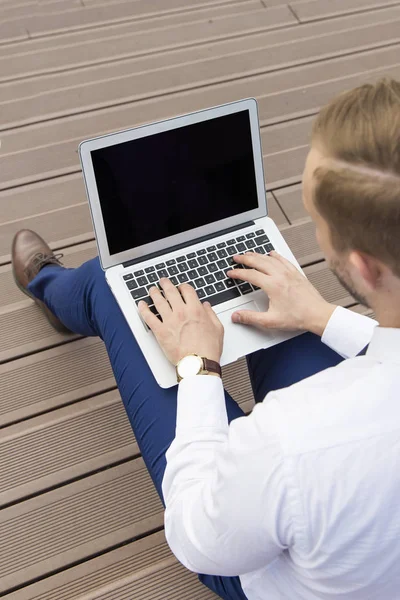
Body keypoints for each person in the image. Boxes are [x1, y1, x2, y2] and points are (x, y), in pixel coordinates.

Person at [11, 78, 400, 600]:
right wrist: (324, 316)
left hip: (265, 569)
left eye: (317, 219)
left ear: (361, 267)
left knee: (113, 291)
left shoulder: (294, 441)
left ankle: (53, 287)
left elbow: (198, 535)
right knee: (272, 305)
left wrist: (198, 366)